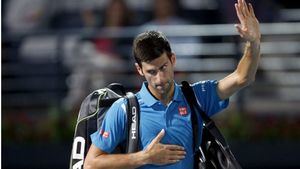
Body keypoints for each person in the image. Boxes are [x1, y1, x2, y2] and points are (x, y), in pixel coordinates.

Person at [84, 0, 261, 168]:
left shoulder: (196, 96)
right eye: (151, 72)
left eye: (163, 68)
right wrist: (144, 157)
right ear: (139, 70)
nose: (160, 79)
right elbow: (91, 164)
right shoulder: (123, 109)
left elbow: (242, 77)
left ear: (173, 59)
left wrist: (253, 42)